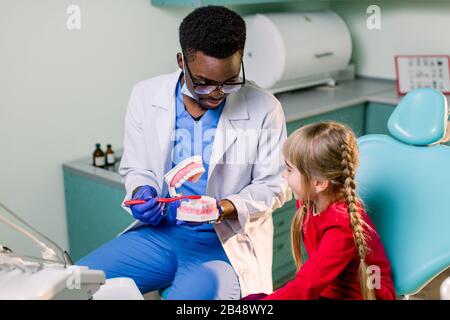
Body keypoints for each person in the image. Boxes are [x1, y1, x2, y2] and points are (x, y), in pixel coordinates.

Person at [77, 6, 288, 300]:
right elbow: (136, 167)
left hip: (222, 245)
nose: (216, 92)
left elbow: (275, 185)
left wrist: (222, 207)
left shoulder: (265, 107)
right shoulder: (145, 96)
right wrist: (142, 191)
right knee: (73, 286)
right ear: (181, 62)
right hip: (160, 235)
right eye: (204, 82)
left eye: (229, 81)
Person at [244, 122, 396, 300]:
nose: (284, 175)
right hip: (328, 291)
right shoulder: (308, 202)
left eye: (289, 169)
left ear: (318, 183)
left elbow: (305, 286)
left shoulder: (340, 228)